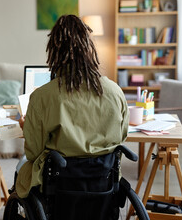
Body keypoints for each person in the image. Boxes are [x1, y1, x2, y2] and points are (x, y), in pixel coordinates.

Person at [15, 15, 129, 199]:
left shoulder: (42, 96)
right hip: (103, 183)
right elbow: (121, 137)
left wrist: (28, 128)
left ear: (53, 51)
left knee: (21, 170)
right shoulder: (115, 92)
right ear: (89, 48)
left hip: (59, 186)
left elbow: (33, 153)